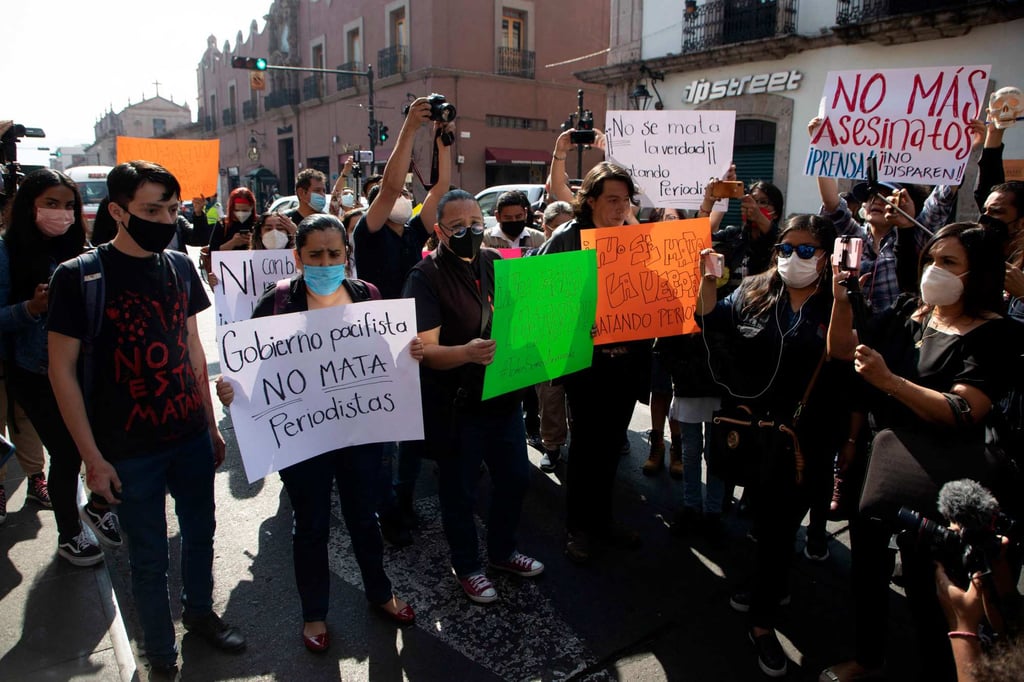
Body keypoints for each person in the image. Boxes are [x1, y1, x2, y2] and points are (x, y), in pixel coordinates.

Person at [47, 161, 244, 677]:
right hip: (127, 450)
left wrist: (207, 423)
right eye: (151, 209)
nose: (165, 219)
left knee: (201, 535)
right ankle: (161, 654)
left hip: (189, 438)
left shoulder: (179, 266)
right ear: (117, 211)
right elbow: (61, 372)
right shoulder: (78, 277)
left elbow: (193, 348)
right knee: (149, 559)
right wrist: (92, 458)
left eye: (172, 209)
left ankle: (200, 614)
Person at [216, 214, 420, 652]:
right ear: (298, 257)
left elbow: (386, 358)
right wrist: (234, 391)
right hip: (304, 440)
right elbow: (251, 370)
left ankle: (380, 592)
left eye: (334, 253)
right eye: (315, 255)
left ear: (347, 255)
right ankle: (314, 614)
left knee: (364, 516)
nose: (326, 262)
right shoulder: (277, 303)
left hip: (360, 433)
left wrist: (409, 351)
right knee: (310, 526)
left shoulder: (368, 296)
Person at [823, 222, 1014, 682]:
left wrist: (890, 382)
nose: (933, 270)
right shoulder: (912, 311)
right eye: (930, 259)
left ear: (978, 273)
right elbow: (841, 350)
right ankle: (868, 659)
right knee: (867, 571)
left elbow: (964, 409)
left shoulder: (995, 334)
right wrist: (841, 300)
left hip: (936, 475)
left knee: (934, 587)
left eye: (949, 262)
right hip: (884, 465)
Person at [697, 214, 845, 678]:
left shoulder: (835, 301)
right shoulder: (756, 289)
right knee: (765, 523)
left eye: (806, 250)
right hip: (758, 433)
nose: (793, 258)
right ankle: (770, 582)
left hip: (806, 438)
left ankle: (762, 625)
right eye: (786, 248)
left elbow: (843, 355)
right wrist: (706, 282)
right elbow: (712, 319)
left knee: (782, 526)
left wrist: (844, 299)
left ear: (825, 255)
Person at [402, 189, 544, 603]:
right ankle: (467, 566)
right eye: (459, 226)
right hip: (457, 406)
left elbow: (521, 321)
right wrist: (465, 353)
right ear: (439, 231)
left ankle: (502, 552)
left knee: (516, 479)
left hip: (502, 398)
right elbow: (425, 351)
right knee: (459, 491)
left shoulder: (494, 262)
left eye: (476, 224)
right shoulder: (424, 277)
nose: (470, 232)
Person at [536, 162, 652, 564]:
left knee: (610, 447)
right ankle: (578, 529)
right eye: (612, 199)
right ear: (590, 201)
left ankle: (603, 521)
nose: (620, 207)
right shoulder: (567, 238)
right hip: (586, 366)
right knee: (586, 449)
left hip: (627, 364)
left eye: (626, 200)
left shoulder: (633, 238)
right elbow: (544, 296)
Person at [0, 168, 114, 566]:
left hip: (80, 367)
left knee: (95, 441)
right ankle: (70, 535)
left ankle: (98, 505)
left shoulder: (80, 251)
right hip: (33, 373)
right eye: (51, 203)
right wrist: (31, 308)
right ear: (30, 205)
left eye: (68, 205)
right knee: (66, 454)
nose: (61, 213)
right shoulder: (6, 252)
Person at [352, 97, 453, 546]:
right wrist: (410, 127)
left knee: (410, 429)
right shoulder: (367, 234)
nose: (403, 197)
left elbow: (441, 189)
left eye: (407, 196)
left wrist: (445, 141)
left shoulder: (415, 228)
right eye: (394, 194)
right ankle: (385, 510)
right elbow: (392, 188)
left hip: (414, 340)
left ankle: (403, 500)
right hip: (377, 344)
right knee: (385, 436)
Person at [530, 201, 575, 472]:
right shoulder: (533, 259)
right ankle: (552, 446)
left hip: (579, 336)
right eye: (561, 228)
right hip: (548, 337)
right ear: (547, 230)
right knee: (550, 396)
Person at [642, 207, 687, 478]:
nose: (669, 222)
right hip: (654, 334)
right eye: (663, 217)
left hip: (682, 333)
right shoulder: (643, 248)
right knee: (659, 394)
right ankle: (657, 445)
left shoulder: (690, 247)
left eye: (674, 217)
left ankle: (677, 449)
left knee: (678, 396)